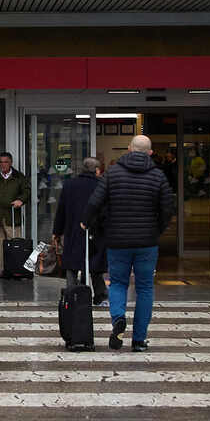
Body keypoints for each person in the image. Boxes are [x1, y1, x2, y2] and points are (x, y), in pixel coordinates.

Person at [84, 135, 177, 351]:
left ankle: (118, 318)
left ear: (128, 149)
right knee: (145, 288)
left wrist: (85, 223)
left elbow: (95, 202)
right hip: (147, 243)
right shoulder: (158, 176)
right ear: (150, 152)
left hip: (117, 241)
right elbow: (167, 209)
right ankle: (139, 340)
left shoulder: (113, 174)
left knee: (118, 283)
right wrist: (157, 231)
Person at [52, 156, 108, 305]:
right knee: (94, 265)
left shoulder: (69, 185)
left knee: (72, 264)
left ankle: (71, 295)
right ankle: (100, 296)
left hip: (73, 230)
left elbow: (61, 210)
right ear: (97, 170)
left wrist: (57, 231)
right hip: (95, 231)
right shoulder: (101, 185)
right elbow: (105, 211)